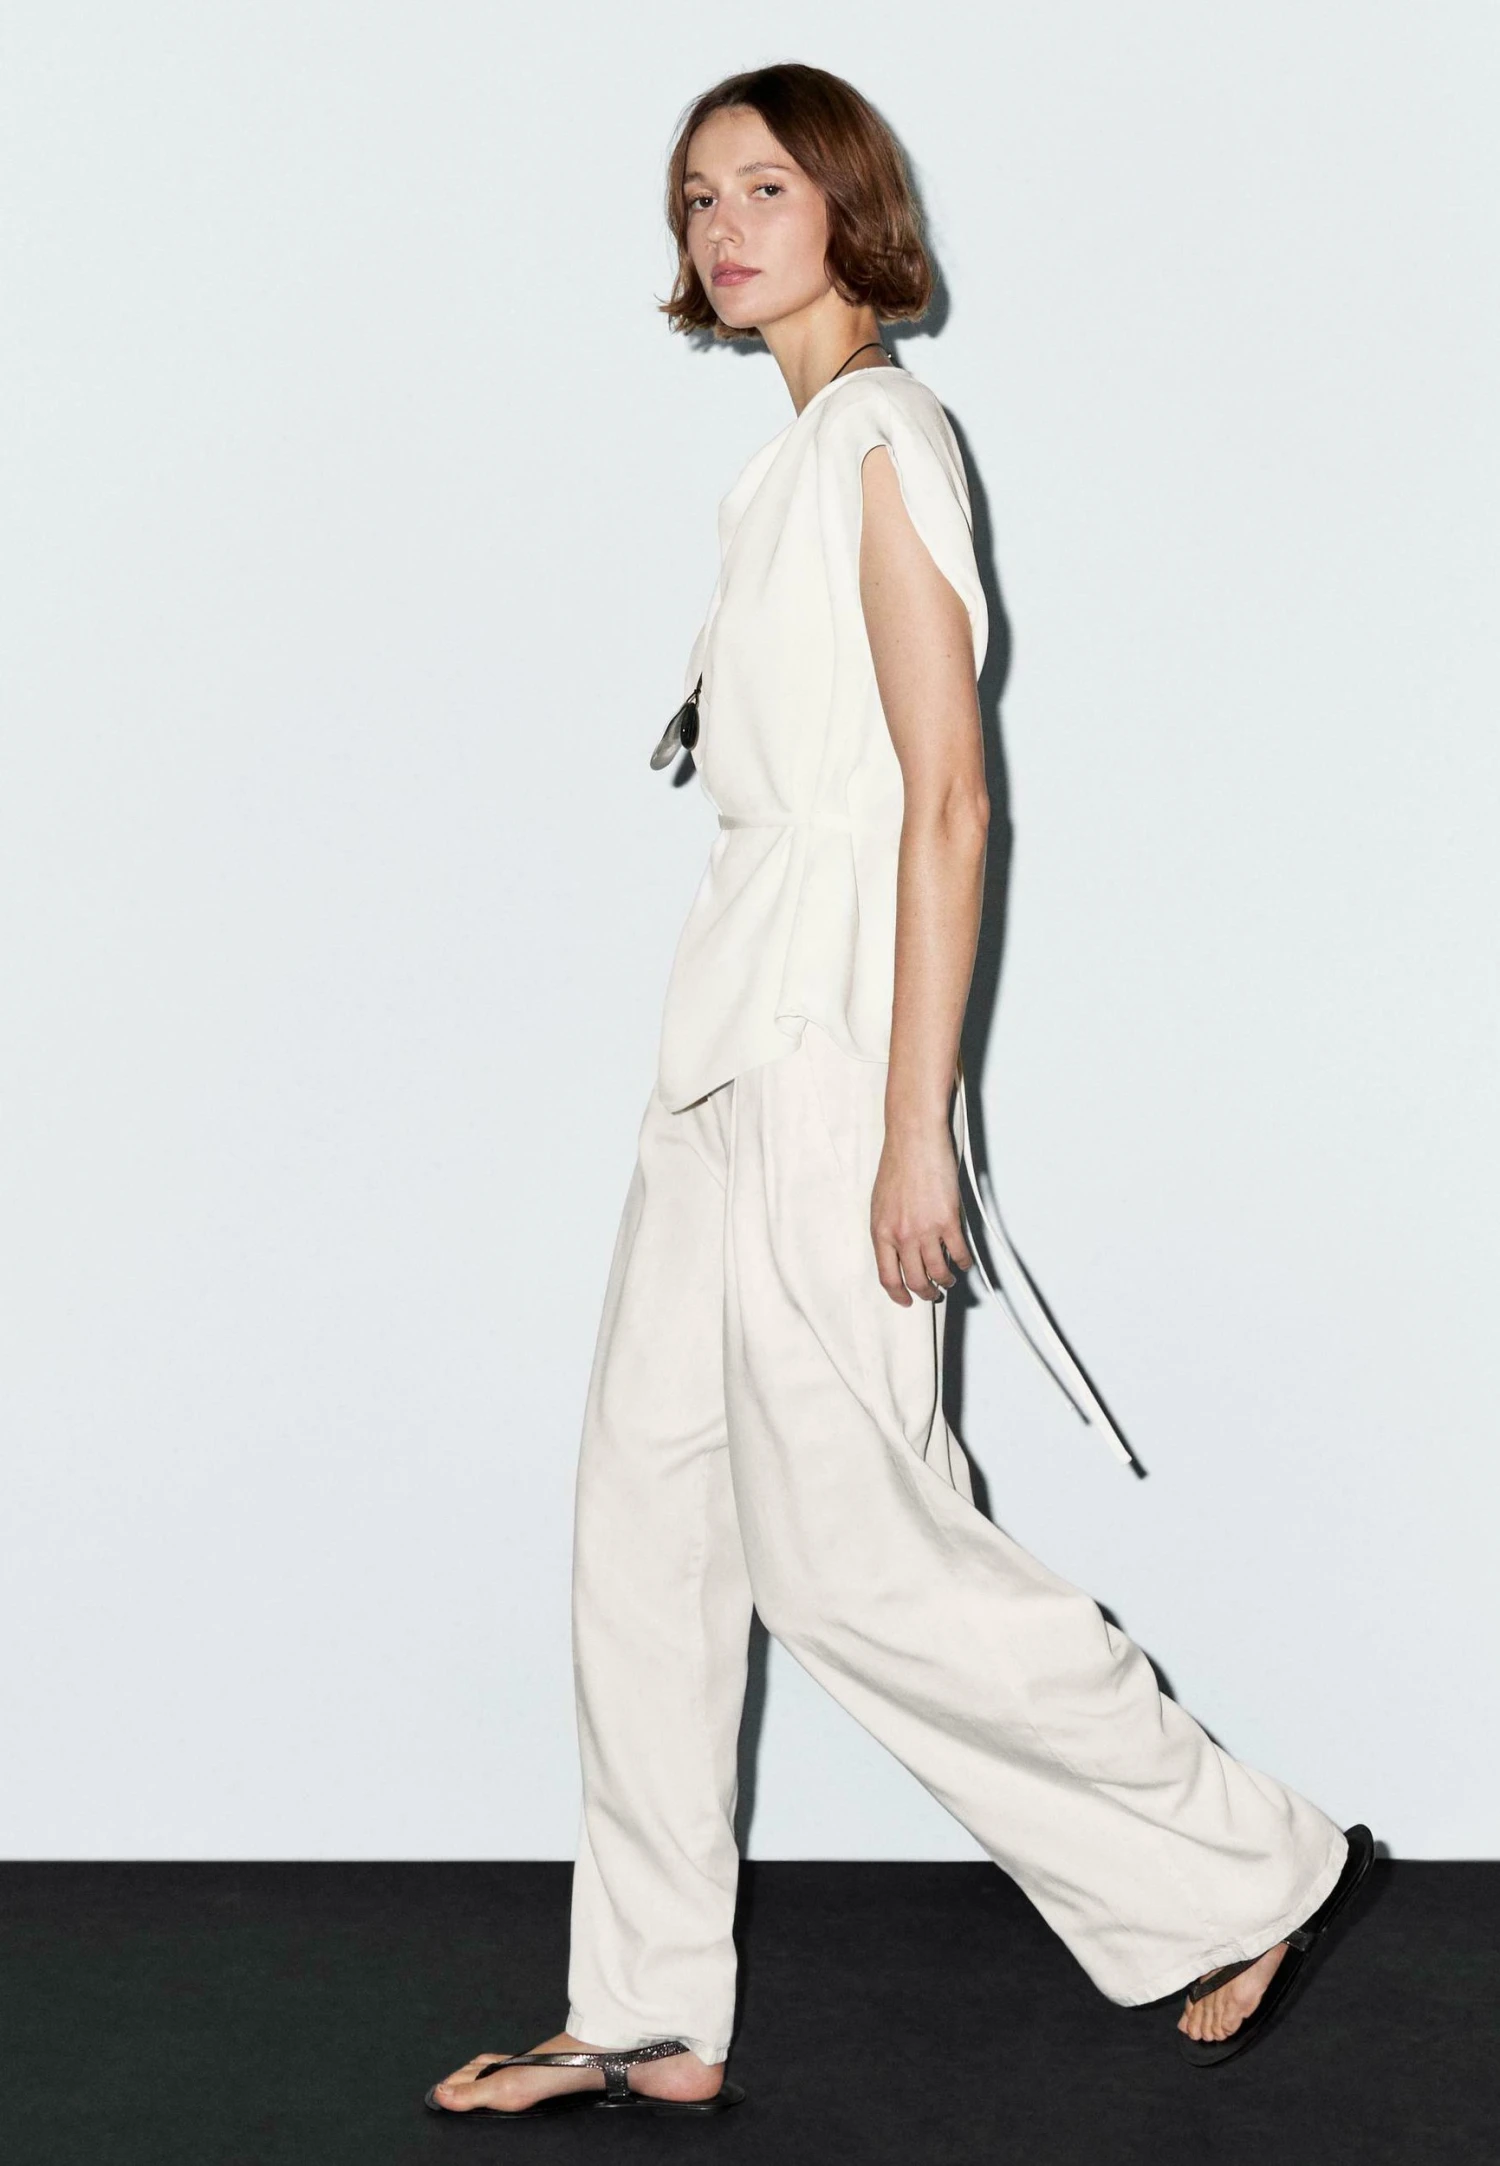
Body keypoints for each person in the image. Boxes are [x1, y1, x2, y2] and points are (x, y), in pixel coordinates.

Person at [425, 61, 1372, 2123]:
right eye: (697, 197)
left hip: (829, 1048)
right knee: (644, 1535)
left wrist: (913, 1120)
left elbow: (951, 798)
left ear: (853, 207)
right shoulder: (785, 463)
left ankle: (1249, 1865)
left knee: (859, 1547)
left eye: (766, 186)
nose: (724, 225)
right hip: (718, 1044)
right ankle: (649, 2008)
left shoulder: (881, 438)